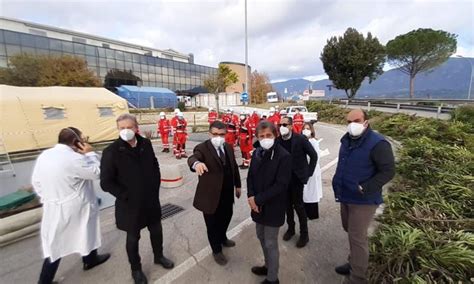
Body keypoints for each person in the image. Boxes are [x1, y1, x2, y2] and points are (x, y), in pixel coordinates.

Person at [100, 114, 174, 284]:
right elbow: (106, 182)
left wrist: (155, 184)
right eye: (121, 128)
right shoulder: (111, 152)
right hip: (130, 206)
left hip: (150, 201)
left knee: (156, 231)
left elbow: (154, 164)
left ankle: (159, 256)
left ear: (136, 127)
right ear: (118, 129)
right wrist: (125, 195)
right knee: (133, 238)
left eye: (129, 127)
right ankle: (136, 270)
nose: (126, 131)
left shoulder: (145, 144)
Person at [32, 127, 110, 284]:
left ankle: (88, 259)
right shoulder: (74, 159)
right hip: (76, 206)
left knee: (55, 242)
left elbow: (36, 182)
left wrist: (49, 197)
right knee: (83, 232)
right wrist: (90, 153)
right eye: (82, 139)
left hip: (53, 206)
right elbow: (97, 172)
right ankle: (88, 261)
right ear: (77, 142)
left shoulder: (45, 155)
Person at [333, 109, 395, 284]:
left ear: (366, 122)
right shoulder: (347, 140)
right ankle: (353, 262)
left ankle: (357, 278)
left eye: (357, 120)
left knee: (357, 236)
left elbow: (388, 171)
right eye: (349, 121)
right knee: (350, 231)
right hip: (346, 195)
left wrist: (365, 188)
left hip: (364, 199)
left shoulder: (378, 143)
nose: (352, 124)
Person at [187, 121, 242, 266]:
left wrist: (238, 185)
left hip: (227, 192)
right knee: (212, 224)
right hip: (210, 195)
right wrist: (196, 164)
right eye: (215, 134)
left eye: (222, 134)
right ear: (209, 134)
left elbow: (234, 167)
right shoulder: (202, 148)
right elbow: (193, 157)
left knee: (227, 216)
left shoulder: (228, 147)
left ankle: (223, 237)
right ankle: (216, 250)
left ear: (226, 134)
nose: (218, 137)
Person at [247, 121, 292, 284]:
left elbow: (281, 185)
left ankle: (273, 278)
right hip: (257, 206)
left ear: (276, 135)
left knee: (271, 242)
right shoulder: (257, 153)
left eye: (268, 135)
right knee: (260, 236)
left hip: (274, 207)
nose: (265, 139)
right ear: (257, 138)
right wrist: (251, 196)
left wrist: (257, 199)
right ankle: (267, 266)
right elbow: (250, 176)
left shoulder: (284, 156)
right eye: (261, 136)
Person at [277, 116, 317, 248]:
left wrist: (308, 173)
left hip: (297, 178)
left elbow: (313, 155)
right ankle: (291, 229)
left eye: (285, 124)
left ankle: (304, 235)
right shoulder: (278, 141)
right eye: (280, 124)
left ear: (291, 126)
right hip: (284, 179)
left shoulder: (300, 139)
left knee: (298, 206)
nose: (282, 127)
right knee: (287, 206)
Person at [301, 122, 323, 218]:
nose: (306, 130)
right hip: (304, 169)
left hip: (312, 169)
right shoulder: (302, 141)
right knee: (306, 192)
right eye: (304, 128)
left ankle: (312, 214)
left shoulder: (313, 142)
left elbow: (316, 157)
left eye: (308, 128)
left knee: (312, 192)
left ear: (311, 130)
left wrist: (310, 169)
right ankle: (306, 211)